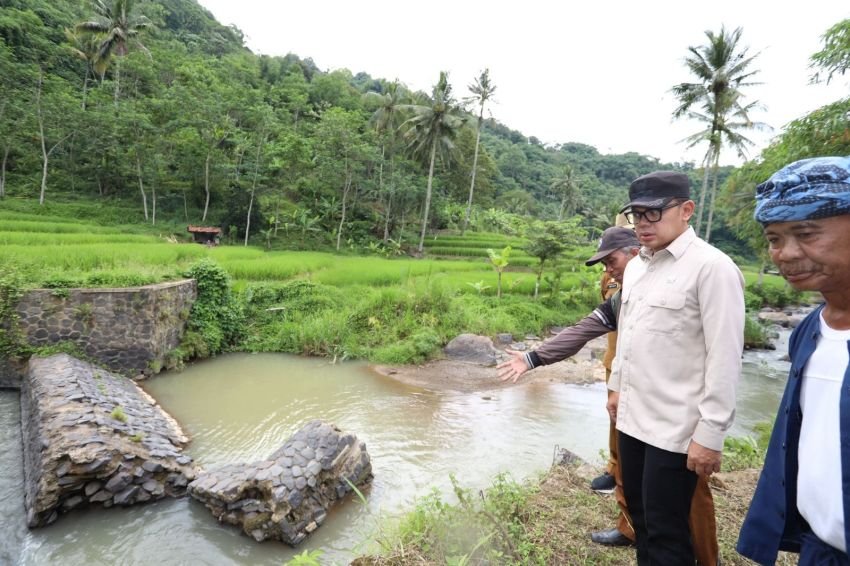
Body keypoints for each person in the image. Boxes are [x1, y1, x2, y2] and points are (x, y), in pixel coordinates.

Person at [497, 224, 720, 565]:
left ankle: (707, 559)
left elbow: (723, 357)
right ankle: (634, 533)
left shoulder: (698, 276)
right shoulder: (626, 293)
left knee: (687, 502)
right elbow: (589, 328)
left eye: (611, 260)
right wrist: (533, 357)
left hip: (677, 415)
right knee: (641, 498)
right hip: (633, 406)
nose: (607, 269)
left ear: (636, 252)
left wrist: (711, 429)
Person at [607, 170, 745, 565]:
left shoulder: (712, 269)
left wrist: (711, 433)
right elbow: (628, 334)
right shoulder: (636, 267)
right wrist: (617, 387)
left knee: (669, 530)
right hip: (633, 419)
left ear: (686, 210)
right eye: (636, 215)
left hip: (676, 429)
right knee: (643, 520)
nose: (643, 225)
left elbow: (725, 356)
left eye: (653, 214)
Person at [737, 156, 850, 565]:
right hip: (819, 549)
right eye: (774, 239)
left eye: (805, 233)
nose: (785, 254)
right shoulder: (809, 330)